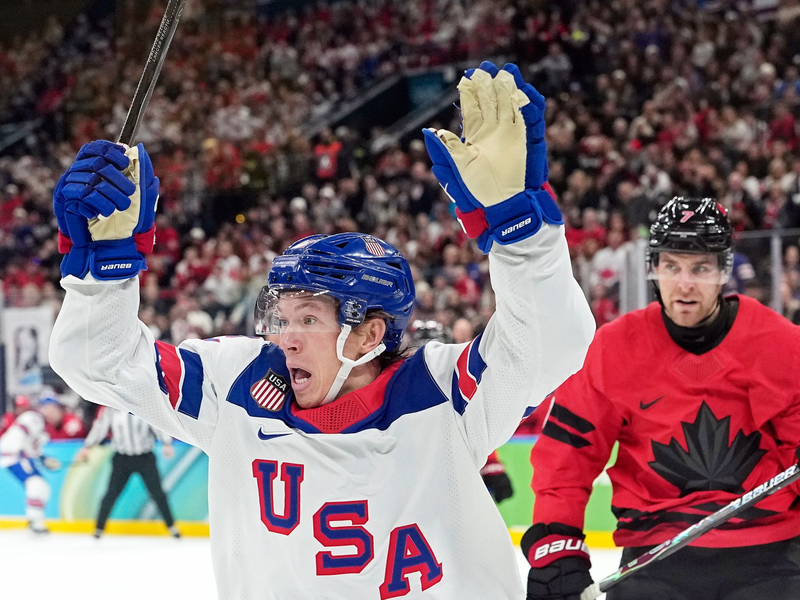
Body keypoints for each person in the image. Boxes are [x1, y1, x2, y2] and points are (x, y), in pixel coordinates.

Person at [49, 62, 594, 599]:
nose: (284, 337)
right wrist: (104, 273)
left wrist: (520, 230)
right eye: (281, 317)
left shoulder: (441, 396)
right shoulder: (235, 386)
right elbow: (100, 363)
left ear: (369, 335)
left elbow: (552, 343)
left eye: (309, 319)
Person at [522, 197, 800, 600]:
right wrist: (557, 545)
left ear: (724, 271)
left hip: (769, 561)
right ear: (654, 268)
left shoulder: (780, 344)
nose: (684, 284)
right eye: (671, 266)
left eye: (700, 268)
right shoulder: (614, 349)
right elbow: (568, 455)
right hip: (654, 562)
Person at [77, 407, 180, 539]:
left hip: (145, 457)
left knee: (158, 493)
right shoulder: (111, 409)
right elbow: (100, 428)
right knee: (111, 494)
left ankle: (171, 526)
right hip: (122, 458)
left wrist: (166, 442)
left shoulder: (143, 406)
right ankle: (99, 528)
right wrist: (87, 446)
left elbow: (157, 425)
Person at [0, 399, 62, 533]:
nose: (56, 413)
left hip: (20, 455)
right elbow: (17, 437)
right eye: (52, 409)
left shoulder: (45, 430)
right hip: (13, 455)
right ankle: (35, 522)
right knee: (35, 484)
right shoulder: (33, 417)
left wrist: (44, 459)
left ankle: (35, 519)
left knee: (43, 488)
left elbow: (33, 451)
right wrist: (22, 453)